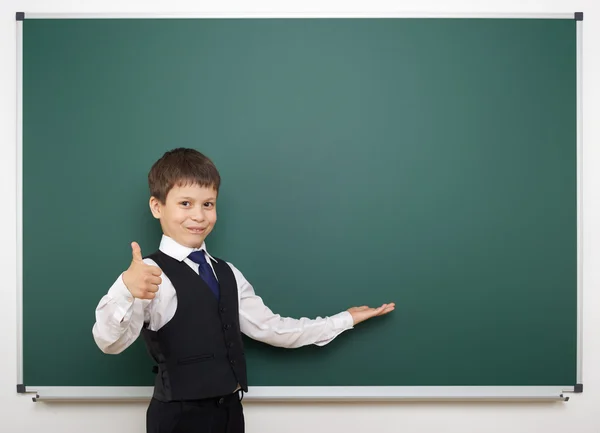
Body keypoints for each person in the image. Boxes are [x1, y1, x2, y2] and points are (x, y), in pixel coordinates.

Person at [92, 148, 395, 433]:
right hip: (178, 418)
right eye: (185, 203)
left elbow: (272, 329)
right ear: (157, 206)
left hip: (231, 416)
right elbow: (109, 342)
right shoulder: (146, 275)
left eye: (208, 204)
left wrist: (345, 319)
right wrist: (126, 290)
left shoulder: (227, 273)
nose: (198, 215)